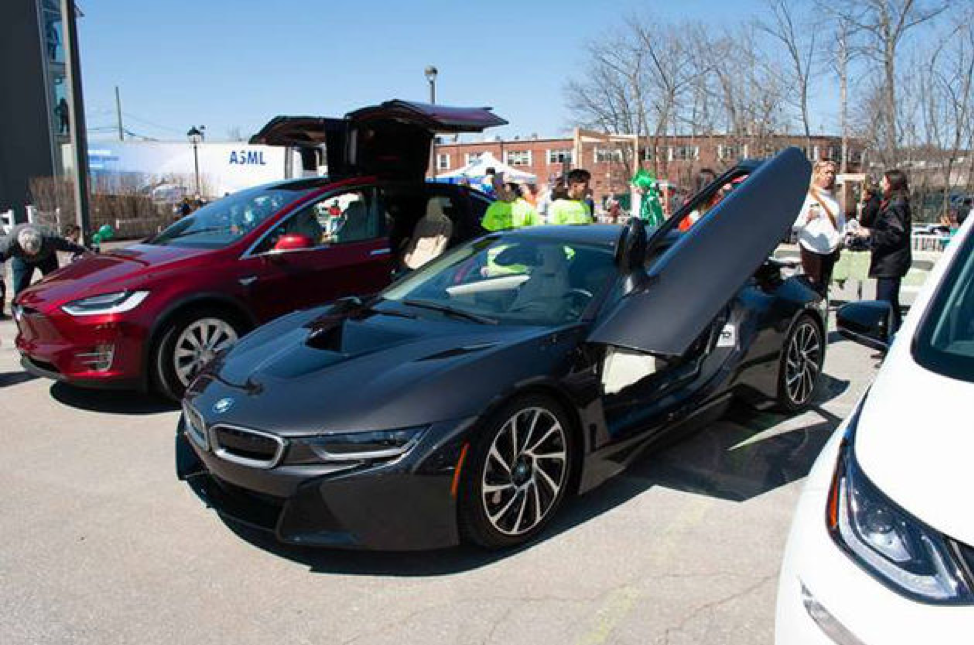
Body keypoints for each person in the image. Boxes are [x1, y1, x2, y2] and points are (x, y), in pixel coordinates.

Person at [852, 169, 912, 334]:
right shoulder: (891, 202)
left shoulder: (896, 204)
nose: (881, 184)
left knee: (885, 302)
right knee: (890, 301)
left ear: (892, 184)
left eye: (884, 181)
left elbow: (895, 234)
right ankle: (891, 335)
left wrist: (870, 233)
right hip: (889, 260)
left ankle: (887, 338)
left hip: (891, 262)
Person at [793, 160, 844, 295]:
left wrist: (841, 237)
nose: (830, 176)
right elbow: (794, 225)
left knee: (823, 288)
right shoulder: (807, 197)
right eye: (826, 172)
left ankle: (822, 312)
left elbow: (841, 224)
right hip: (811, 248)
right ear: (817, 174)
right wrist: (807, 219)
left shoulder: (834, 200)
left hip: (830, 248)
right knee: (812, 287)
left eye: (832, 173)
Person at [0, 224, 89, 295]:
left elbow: (68, 245)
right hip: (22, 260)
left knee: (54, 284)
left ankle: (54, 305)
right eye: (30, 252)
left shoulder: (50, 238)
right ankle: (20, 311)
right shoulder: (10, 243)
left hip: (47, 258)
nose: (33, 255)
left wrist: (85, 251)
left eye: (36, 251)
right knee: (19, 288)